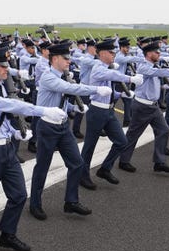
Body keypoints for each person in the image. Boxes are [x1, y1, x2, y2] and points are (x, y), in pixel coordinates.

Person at [0, 48, 67, 251]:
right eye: (3, 67)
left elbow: (4, 117)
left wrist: (16, 133)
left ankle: (7, 234)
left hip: (7, 148)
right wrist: (42, 111)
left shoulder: (3, 88)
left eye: (8, 66)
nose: (7, 70)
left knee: (19, 195)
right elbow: (11, 106)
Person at [29, 42, 111, 220]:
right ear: (55, 58)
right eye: (66, 58)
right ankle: (35, 204)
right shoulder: (48, 77)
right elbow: (69, 89)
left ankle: (71, 201)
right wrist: (96, 89)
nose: (69, 61)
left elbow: (62, 98)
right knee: (42, 167)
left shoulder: (64, 76)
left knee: (77, 163)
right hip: (48, 126)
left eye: (69, 58)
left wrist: (74, 106)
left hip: (63, 126)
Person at [118, 42, 169, 173]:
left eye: (159, 52)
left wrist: (166, 86)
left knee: (163, 130)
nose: (159, 54)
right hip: (142, 106)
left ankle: (159, 162)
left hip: (154, 106)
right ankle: (123, 161)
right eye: (156, 52)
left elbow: (153, 83)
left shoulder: (153, 66)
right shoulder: (144, 67)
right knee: (133, 134)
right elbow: (159, 73)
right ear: (148, 54)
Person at [79, 39, 143, 190]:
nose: (114, 54)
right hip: (97, 111)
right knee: (89, 146)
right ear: (102, 53)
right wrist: (129, 78)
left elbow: (108, 88)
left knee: (121, 141)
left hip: (108, 110)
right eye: (111, 52)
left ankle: (105, 169)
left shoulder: (106, 67)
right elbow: (112, 75)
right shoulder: (98, 67)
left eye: (114, 52)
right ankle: (83, 175)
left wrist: (121, 94)